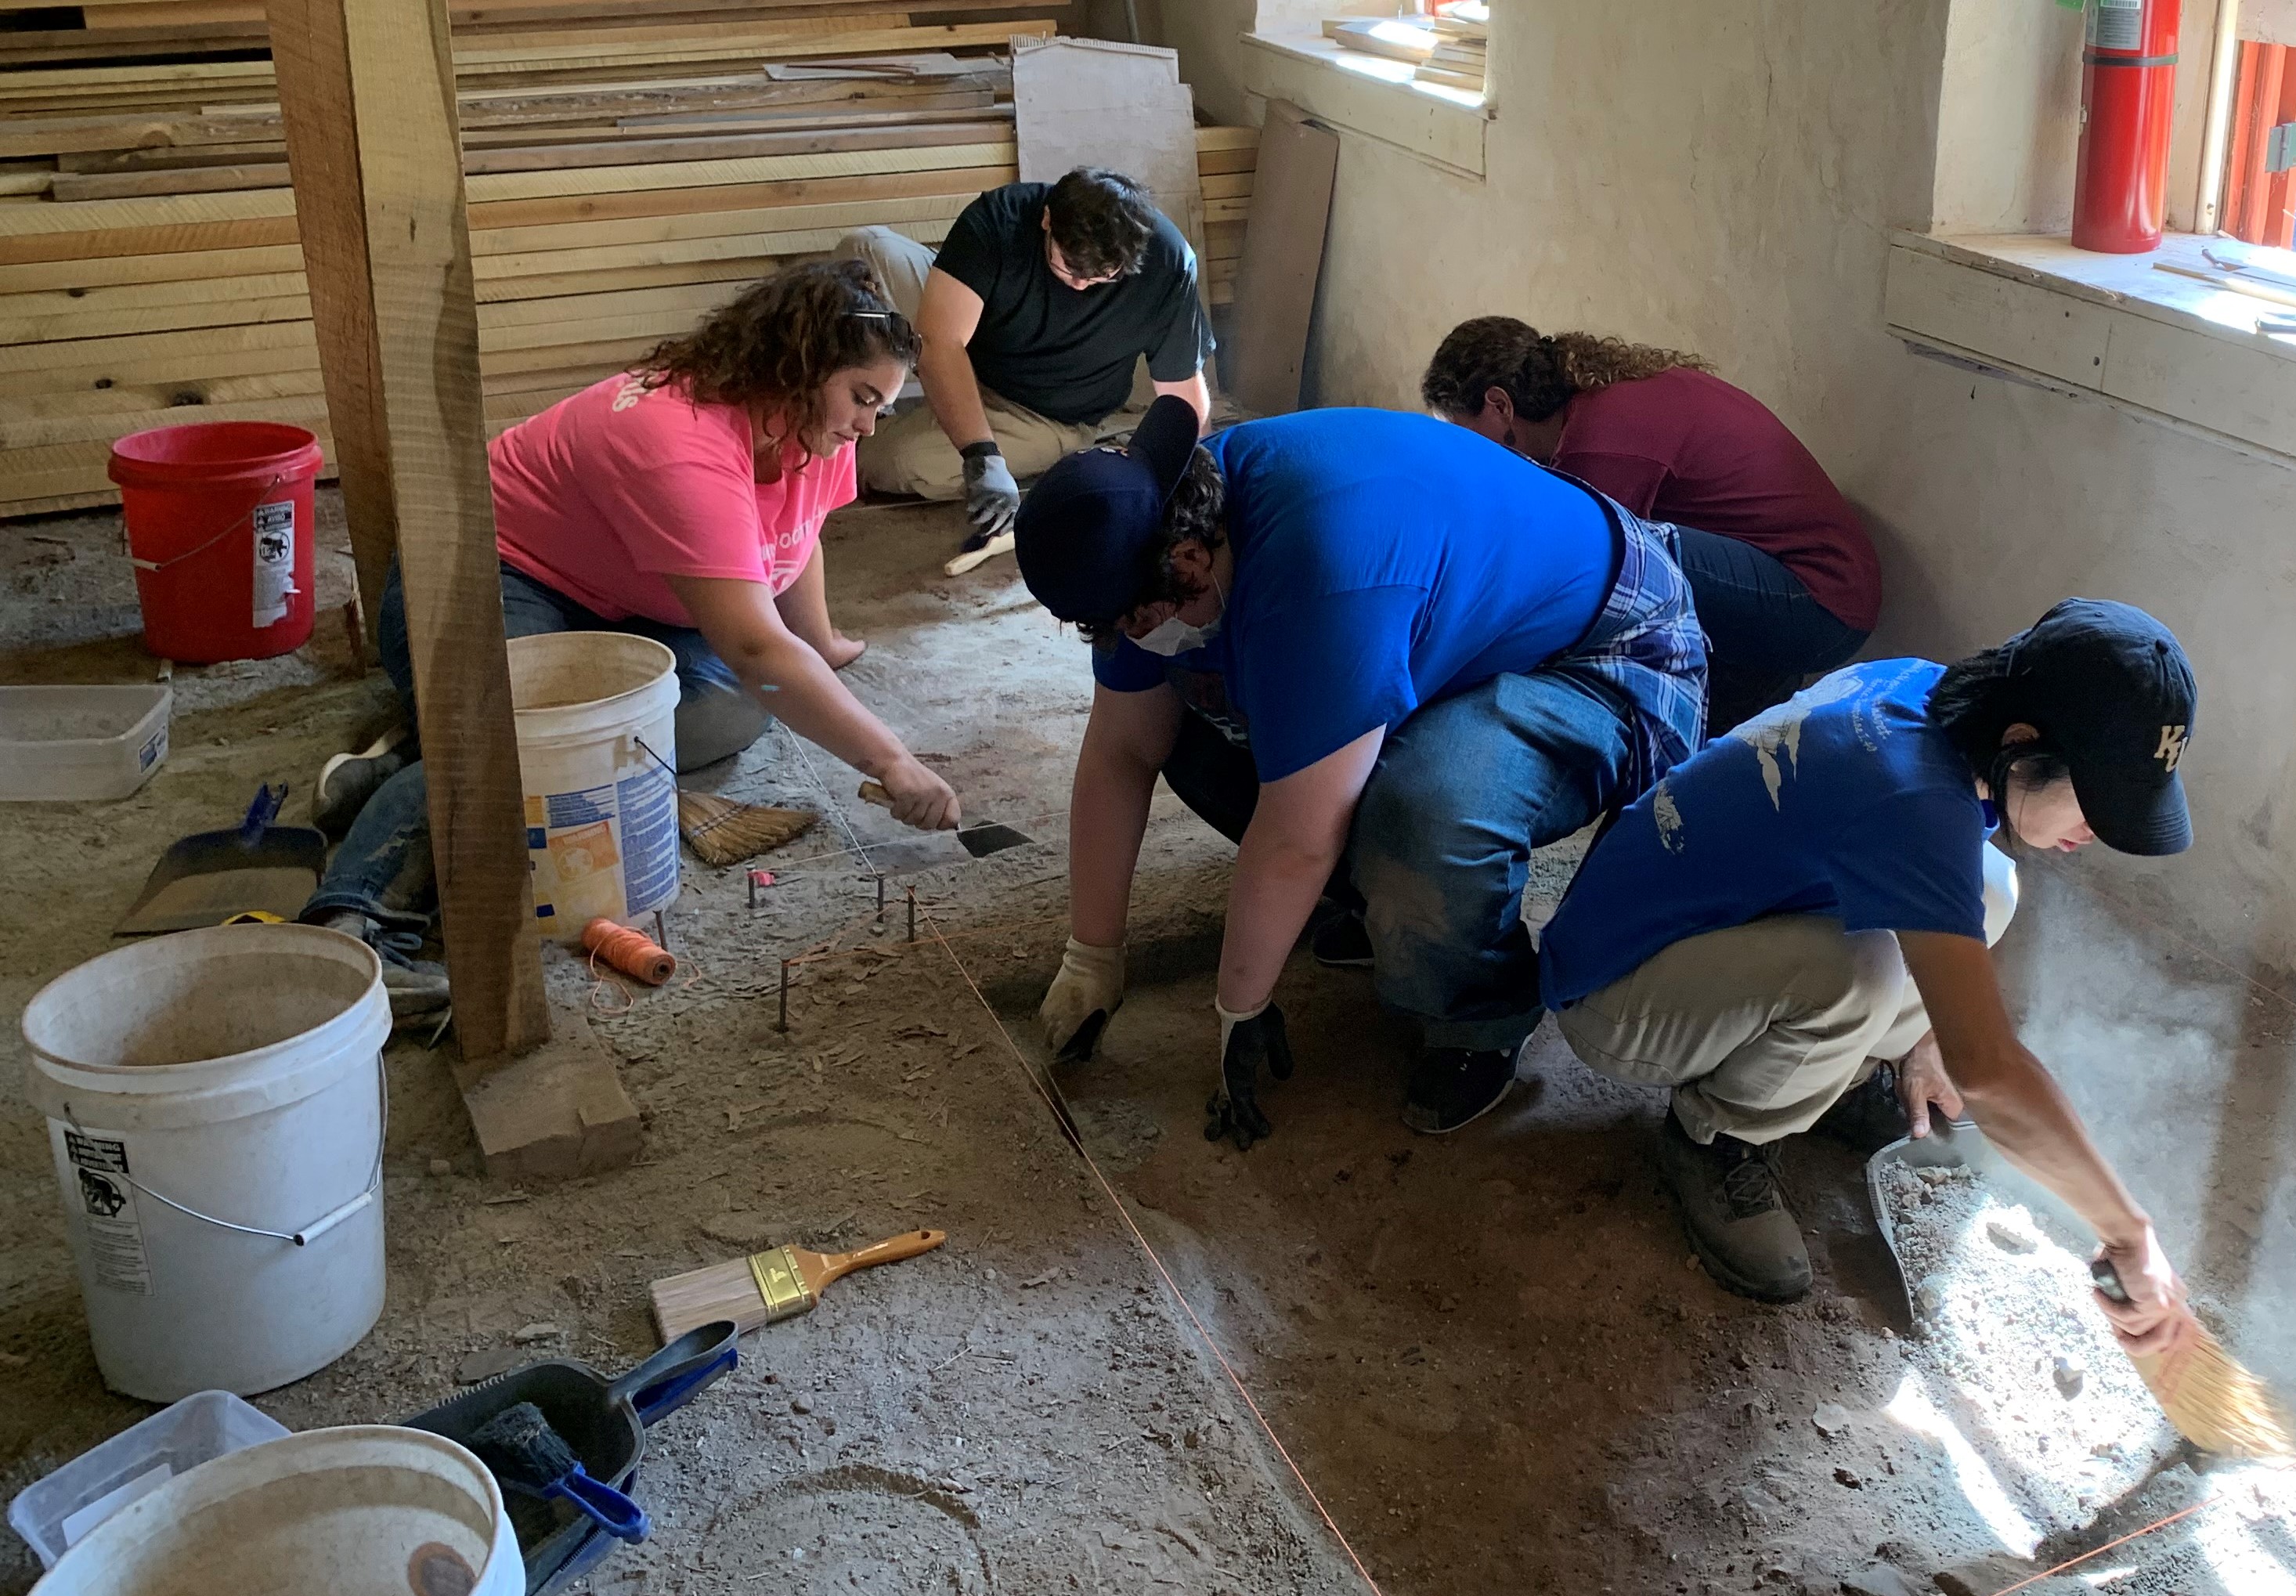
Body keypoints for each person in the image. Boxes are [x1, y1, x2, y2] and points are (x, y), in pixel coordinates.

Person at [1018, 399, 1706, 1140]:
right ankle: (1380, 906)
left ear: (1187, 565)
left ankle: (1479, 1016)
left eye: (1135, 622)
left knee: (1424, 812)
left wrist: (1238, 1009)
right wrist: (1093, 955)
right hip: (1449, 616)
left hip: (1607, 645)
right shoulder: (1154, 519)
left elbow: (1296, 839)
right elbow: (1125, 747)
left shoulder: (1322, 568)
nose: (1127, 640)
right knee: (1197, 731)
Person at [304, 260, 964, 1013]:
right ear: (800, 366)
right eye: (863, 397)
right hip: (487, 575)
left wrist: (821, 645)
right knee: (523, 744)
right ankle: (353, 919)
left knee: (733, 709)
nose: (871, 425)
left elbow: (798, 538)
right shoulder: (677, 439)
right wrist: (892, 759)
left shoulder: (813, 426)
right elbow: (754, 647)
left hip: (624, 599)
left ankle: (405, 757)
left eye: (884, 403)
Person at [1536, 599, 2205, 1320]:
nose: (2096, 832)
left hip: (1713, 929)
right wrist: (2129, 1234)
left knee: (1992, 887)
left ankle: (1830, 1072)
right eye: (2095, 802)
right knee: (1860, 973)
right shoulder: (1911, 792)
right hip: (1615, 986)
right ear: (2022, 740)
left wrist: (1924, 1042)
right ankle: (1719, 1135)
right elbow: (1988, 1068)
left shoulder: (1931, 694)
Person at [1421, 319, 1880, 734]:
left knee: (1611, 555)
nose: (1467, 454)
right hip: (1801, 588)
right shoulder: (1598, 399)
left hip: (1820, 604)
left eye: (1463, 433)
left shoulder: (1596, 448)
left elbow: (1570, 591)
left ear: (1499, 405)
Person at [838, 169, 1212, 540]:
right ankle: (841, 396)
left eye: (1100, 278)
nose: (1080, 286)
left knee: (897, 463)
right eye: (1066, 269)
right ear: (1047, 220)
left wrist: (1193, 479)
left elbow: (1182, 396)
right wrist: (981, 454)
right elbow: (940, 341)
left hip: (1044, 415)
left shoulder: (1169, 264)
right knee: (864, 249)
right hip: (971, 338)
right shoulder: (1001, 218)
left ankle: (856, 438)